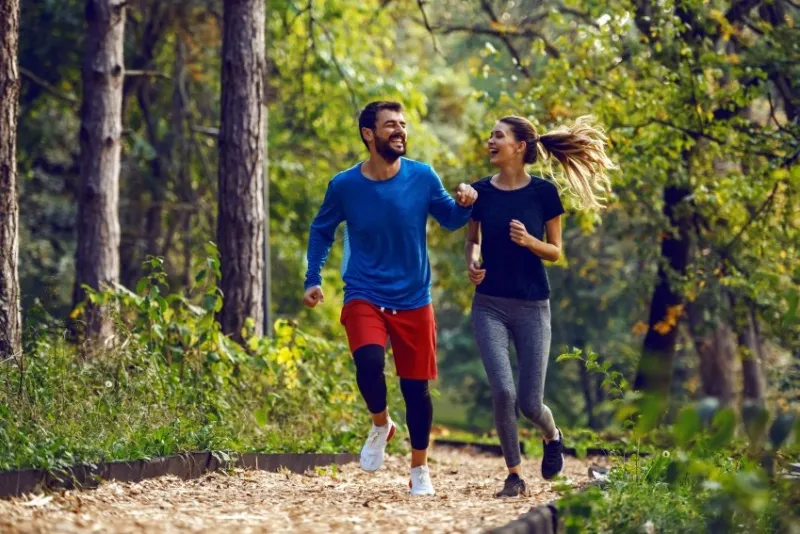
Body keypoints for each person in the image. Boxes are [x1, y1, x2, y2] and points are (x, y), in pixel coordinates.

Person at [303, 100, 478, 496]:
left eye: (402, 125)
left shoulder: (422, 176)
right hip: (364, 291)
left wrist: (467, 203)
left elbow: (450, 219)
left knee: (416, 389)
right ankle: (381, 423)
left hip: (414, 297)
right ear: (369, 134)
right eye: (390, 125)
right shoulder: (345, 185)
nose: (399, 131)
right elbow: (321, 231)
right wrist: (312, 278)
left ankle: (419, 468)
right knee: (367, 362)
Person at [465, 115, 615, 497]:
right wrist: (473, 261)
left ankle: (553, 436)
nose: (490, 140)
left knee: (531, 403)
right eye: (490, 134)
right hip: (489, 305)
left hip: (533, 305)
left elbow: (556, 252)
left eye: (498, 135)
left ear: (519, 146)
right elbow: (473, 241)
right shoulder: (482, 192)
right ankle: (514, 474)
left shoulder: (544, 193)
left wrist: (530, 241)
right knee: (503, 392)